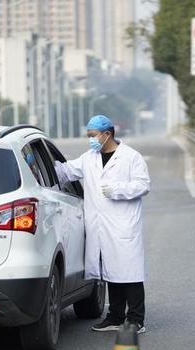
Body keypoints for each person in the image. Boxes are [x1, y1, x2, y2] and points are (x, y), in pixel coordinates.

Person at [54, 115, 150, 334]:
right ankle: (115, 316)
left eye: (93, 135)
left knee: (130, 274)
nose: (91, 140)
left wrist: (118, 190)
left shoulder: (131, 157)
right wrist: (36, 164)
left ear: (107, 134)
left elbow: (143, 185)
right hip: (100, 226)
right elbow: (66, 172)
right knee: (111, 273)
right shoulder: (90, 158)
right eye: (89, 136)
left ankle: (136, 319)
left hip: (123, 225)